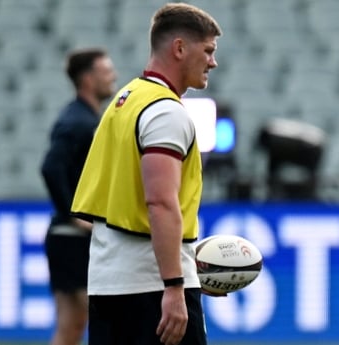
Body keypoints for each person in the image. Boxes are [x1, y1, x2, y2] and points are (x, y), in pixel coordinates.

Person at [70, 3, 221, 345]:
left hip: (108, 281)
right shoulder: (166, 112)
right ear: (180, 48)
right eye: (208, 51)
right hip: (150, 288)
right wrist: (174, 284)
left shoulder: (125, 100)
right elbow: (160, 202)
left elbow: (129, 200)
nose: (213, 61)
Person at [40, 48, 116, 345]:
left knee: (71, 326)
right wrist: (75, 215)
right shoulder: (79, 122)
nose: (114, 77)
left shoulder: (82, 117)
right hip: (73, 239)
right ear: (87, 79)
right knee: (108, 322)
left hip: (63, 236)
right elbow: (50, 167)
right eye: (106, 72)